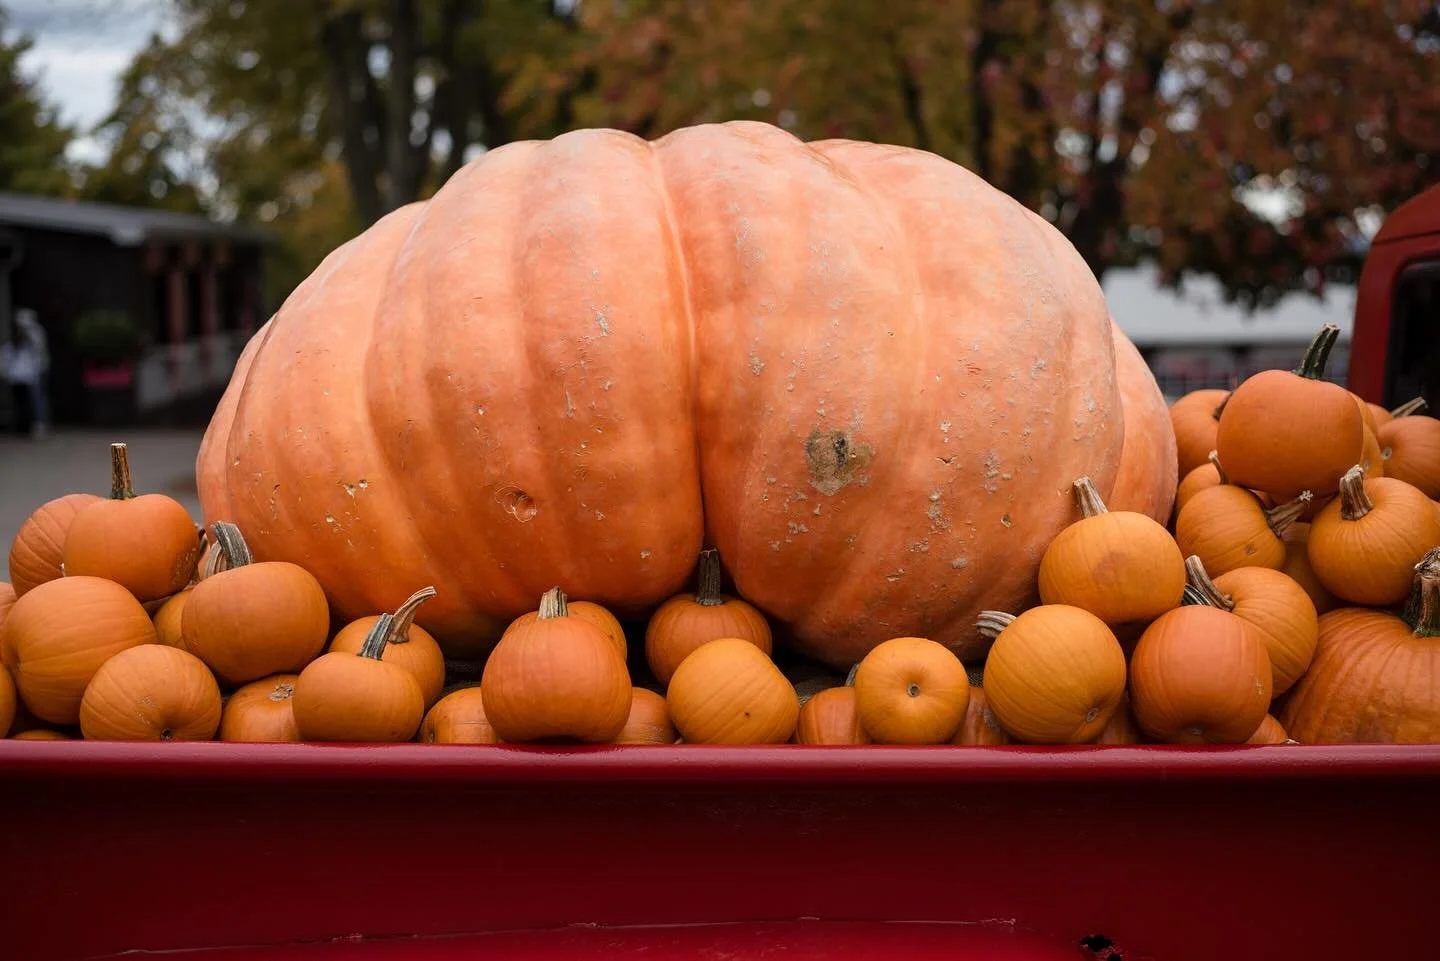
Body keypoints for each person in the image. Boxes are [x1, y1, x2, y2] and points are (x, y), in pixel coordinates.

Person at [1, 307, 50, 439]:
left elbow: (39, 350)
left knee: (37, 399)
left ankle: (39, 423)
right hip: (21, 375)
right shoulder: (15, 339)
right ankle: (24, 425)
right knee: (23, 401)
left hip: (37, 371)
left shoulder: (36, 333)